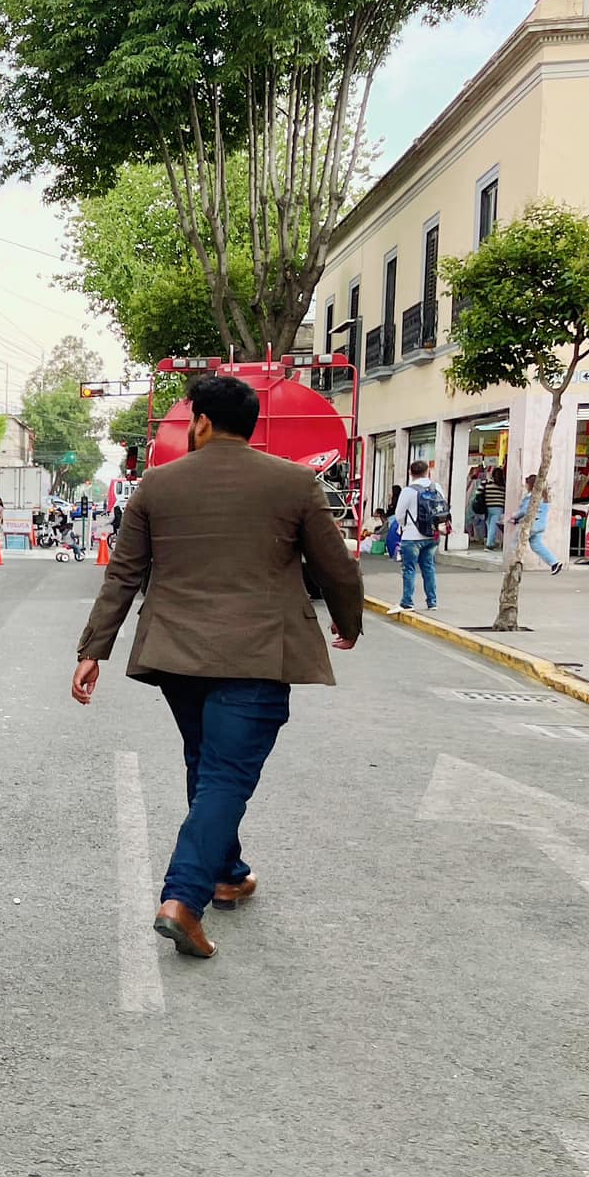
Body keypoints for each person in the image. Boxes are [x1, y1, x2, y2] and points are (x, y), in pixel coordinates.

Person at [74, 373, 363, 960]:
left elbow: (123, 575)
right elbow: (337, 567)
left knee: (206, 765)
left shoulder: (155, 485)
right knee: (226, 776)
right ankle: (183, 898)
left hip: (177, 657)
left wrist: (92, 651)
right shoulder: (296, 483)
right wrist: (347, 622)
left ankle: (228, 871)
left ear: (201, 422)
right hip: (259, 656)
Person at [391, 460, 445, 611]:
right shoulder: (437, 488)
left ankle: (407, 602)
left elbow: (399, 515)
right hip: (432, 536)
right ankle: (432, 602)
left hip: (412, 536)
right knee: (429, 568)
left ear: (410, 473)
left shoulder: (408, 491)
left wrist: (404, 527)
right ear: (428, 472)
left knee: (409, 569)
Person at [509, 473, 563, 576]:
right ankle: (554, 563)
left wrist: (514, 517)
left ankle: (514, 567)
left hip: (532, 524)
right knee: (536, 545)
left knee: (515, 542)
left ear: (530, 484)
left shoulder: (531, 496)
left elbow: (525, 510)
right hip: (540, 525)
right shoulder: (545, 496)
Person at [484, 466, 507, 549]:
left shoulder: (487, 483)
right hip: (498, 508)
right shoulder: (504, 486)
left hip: (487, 508)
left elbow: (480, 493)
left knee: (489, 525)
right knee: (493, 526)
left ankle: (490, 543)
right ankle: (490, 544)